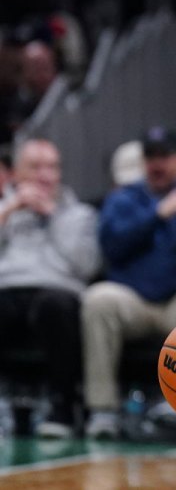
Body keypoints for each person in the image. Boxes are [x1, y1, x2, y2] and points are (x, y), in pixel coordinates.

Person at [83, 126, 176, 439]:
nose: (157, 164)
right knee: (97, 300)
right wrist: (158, 213)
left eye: (165, 156)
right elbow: (112, 246)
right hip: (134, 301)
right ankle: (102, 410)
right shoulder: (125, 197)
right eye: (151, 156)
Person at [0, 139, 101, 437]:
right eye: (35, 167)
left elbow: (87, 266)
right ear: (16, 174)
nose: (45, 176)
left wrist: (53, 215)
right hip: (8, 288)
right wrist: (9, 210)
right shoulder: (4, 208)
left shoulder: (79, 214)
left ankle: (63, 409)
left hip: (57, 293)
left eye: (52, 168)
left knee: (54, 307)